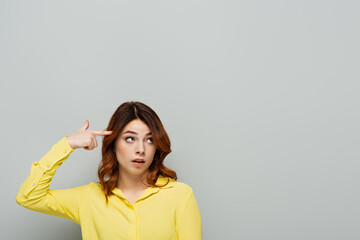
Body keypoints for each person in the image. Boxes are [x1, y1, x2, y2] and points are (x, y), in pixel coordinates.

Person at [16, 101, 202, 240]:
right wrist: (68, 144)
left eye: (149, 139)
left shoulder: (180, 195)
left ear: (157, 147)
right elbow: (28, 197)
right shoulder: (89, 198)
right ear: (113, 145)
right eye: (130, 138)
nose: (140, 149)